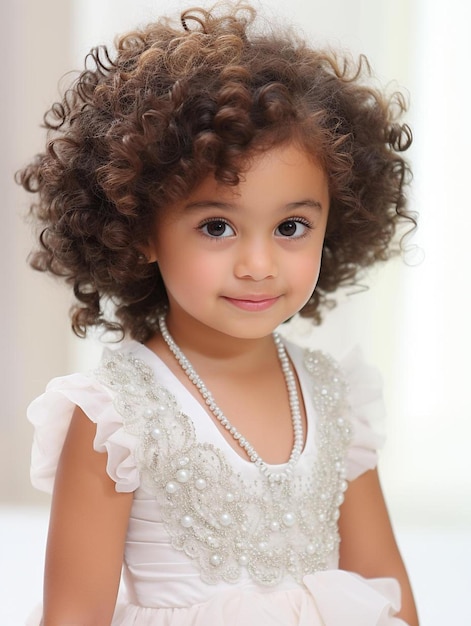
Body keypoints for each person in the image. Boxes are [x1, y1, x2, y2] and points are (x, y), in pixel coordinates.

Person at [18, 2, 420, 625]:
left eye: (290, 226)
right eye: (217, 226)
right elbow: (73, 616)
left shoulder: (334, 399)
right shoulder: (115, 418)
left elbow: (388, 591)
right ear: (140, 231)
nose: (257, 264)